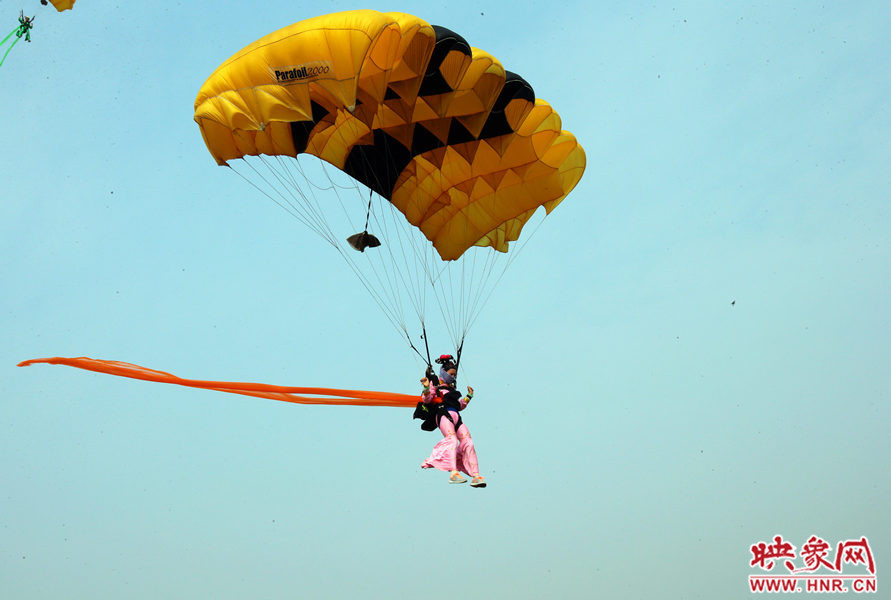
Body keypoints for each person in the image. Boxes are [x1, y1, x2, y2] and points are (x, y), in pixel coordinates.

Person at [418, 355, 486, 488]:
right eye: (451, 374)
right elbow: (426, 399)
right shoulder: (435, 387)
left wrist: (469, 397)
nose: (453, 377)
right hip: (443, 415)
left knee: (468, 442)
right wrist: (426, 388)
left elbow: (459, 406)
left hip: (456, 418)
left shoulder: (452, 390)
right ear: (443, 373)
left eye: (455, 374)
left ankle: (476, 475)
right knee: (452, 440)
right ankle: (453, 472)